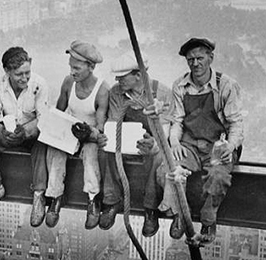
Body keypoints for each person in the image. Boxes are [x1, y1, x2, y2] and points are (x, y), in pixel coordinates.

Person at [159, 37, 244, 244]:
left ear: (210, 58)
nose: (195, 64)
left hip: (218, 145)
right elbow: (177, 121)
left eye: (199, 58)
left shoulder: (226, 85)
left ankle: (208, 220)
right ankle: (180, 214)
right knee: (168, 170)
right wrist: (175, 143)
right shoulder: (180, 85)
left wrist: (231, 146)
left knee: (218, 176)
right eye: (190, 60)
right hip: (190, 144)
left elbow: (236, 123)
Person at [99, 52, 172, 234]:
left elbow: (165, 131)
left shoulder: (162, 93)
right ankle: (111, 200)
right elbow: (114, 121)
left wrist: (153, 143)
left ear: (138, 75)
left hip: (152, 142)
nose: (117, 80)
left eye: (122, 77)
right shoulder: (117, 92)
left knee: (155, 156)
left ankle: (150, 208)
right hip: (126, 138)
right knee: (107, 150)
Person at [44, 41, 109, 229]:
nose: (72, 72)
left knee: (90, 155)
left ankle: (93, 198)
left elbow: (101, 126)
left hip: (88, 134)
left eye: (77, 68)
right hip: (70, 130)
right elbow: (60, 110)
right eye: (71, 67)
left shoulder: (102, 91)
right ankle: (56, 196)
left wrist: (89, 132)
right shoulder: (68, 82)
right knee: (55, 150)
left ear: (91, 67)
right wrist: (56, 129)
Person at [0, 47, 49, 223]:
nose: (24, 78)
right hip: (8, 130)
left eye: (27, 72)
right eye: (19, 74)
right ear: (7, 71)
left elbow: (44, 119)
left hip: (31, 132)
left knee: (43, 143)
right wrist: (0, 132)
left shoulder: (39, 84)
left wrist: (26, 132)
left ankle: (39, 194)